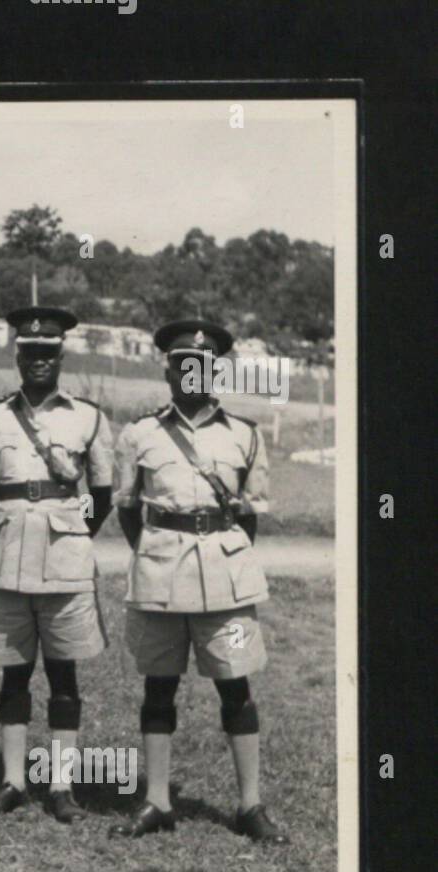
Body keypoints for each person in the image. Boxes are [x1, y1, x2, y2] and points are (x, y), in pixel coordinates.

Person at [110, 319, 288, 843]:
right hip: (160, 573)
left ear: (215, 371)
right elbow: (127, 511)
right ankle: (158, 800)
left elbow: (250, 515)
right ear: (167, 369)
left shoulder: (244, 435)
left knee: (236, 686)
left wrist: (219, 551)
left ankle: (250, 805)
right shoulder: (139, 434)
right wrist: (157, 549)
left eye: (202, 365)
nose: (191, 372)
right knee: (158, 686)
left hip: (225, 580)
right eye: (181, 363)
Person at [0, 306, 114, 824]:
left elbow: (101, 493)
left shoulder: (87, 415)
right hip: (9, 559)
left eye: (47, 353)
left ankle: (60, 785)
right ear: (17, 354)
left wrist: (74, 531)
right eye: (29, 352)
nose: (37, 360)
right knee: (12, 676)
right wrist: (14, 525)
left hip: (65, 561)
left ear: (60, 355)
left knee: (63, 676)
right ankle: (11, 781)